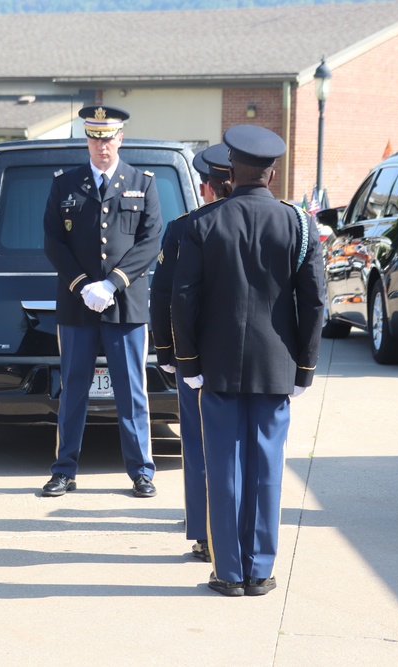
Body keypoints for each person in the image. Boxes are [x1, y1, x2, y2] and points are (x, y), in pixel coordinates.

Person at [171, 125, 324, 597]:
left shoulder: (203, 223)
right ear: (272, 173)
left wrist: (187, 361)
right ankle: (260, 570)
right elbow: (316, 301)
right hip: (276, 365)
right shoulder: (299, 224)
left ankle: (229, 572)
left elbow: (183, 298)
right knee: (267, 468)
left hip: (215, 365)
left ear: (231, 170)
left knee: (223, 467)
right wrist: (305, 366)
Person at [41, 105, 163, 498]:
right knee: (73, 388)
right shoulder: (65, 183)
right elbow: (53, 242)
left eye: (108, 138)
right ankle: (64, 470)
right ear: (87, 141)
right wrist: (82, 285)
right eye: (94, 138)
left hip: (125, 304)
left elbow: (150, 240)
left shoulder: (141, 183)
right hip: (77, 305)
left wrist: (112, 284)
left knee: (131, 390)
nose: (101, 146)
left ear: (120, 139)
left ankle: (142, 471)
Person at [149, 143, 231, 562]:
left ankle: (203, 530)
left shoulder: (185, 227)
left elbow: (164, 294)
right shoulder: (283, 220)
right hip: (254, 359)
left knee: (198, 443)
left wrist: (166, 351)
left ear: (206, 187)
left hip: (196, 355)